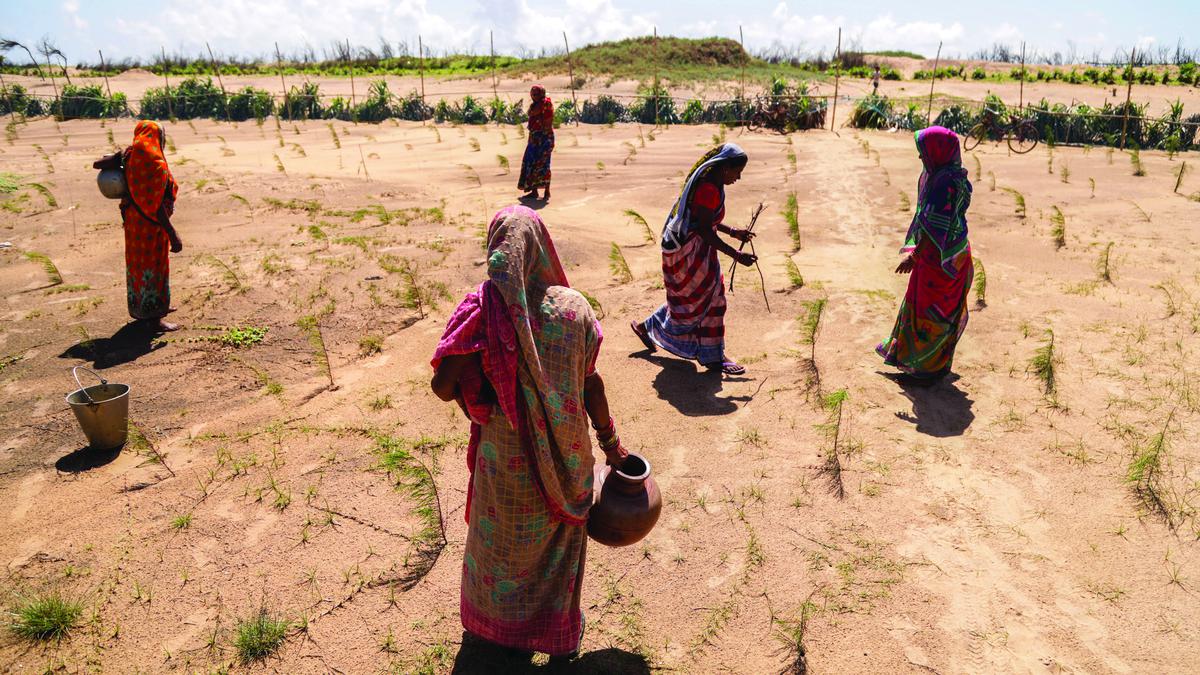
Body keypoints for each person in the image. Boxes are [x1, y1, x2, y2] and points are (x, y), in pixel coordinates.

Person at [430, 205, 628, 660]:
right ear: (541, 249)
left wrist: (472, 367)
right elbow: (591, 382)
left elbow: (442, 388)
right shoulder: (574, 308)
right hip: (568, 456)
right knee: (557, 549)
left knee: (499, 547)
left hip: (503, 457)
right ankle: (556, 637)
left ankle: (493, 631)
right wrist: (612, 445)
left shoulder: (482, 310)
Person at [631, 143, 757, 375]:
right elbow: (704, 230)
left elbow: (705, 220)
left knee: (697, 300)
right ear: (724, 167)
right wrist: (736, 255)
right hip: (689, 253)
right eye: (737, 171)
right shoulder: (708, 188)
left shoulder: (714, 184)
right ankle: (713, 357)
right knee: (704, 300)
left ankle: (646, 327)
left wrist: (733, 232)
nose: (738, 178)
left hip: (695, 250)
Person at [876, 126, 973, 382]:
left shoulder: (942, 184)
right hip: (958, 256)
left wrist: (914, 256)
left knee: (926, 312)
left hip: (937, 262)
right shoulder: (958, 177)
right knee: (943, 312)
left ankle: (923, 371)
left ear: (938, 152)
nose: (921, 158)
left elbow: (934, 231)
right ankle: (935, 365)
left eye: (924, 152)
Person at [121, 120, 183, 332]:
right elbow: (155, 205)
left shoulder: (130, 157)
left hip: (133, 228)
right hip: (150, 228)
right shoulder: (155, 164)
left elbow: (99, 164)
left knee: (138, 268)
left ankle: (147, 307)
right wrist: (172, 233)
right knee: (153, 268)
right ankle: (154, 319)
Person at [518, 85, 555, 202]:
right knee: (531, 163)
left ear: (541, 94)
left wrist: (532, 111)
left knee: (543, 164)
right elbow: (531, 113)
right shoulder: (537, 104)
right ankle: (534, 191)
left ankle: (546, 191)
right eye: (532, 94)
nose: (534, 96)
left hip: (544, 139)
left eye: (536, 94)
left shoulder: (545, 104)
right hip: (534, 138)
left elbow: (532, 113)